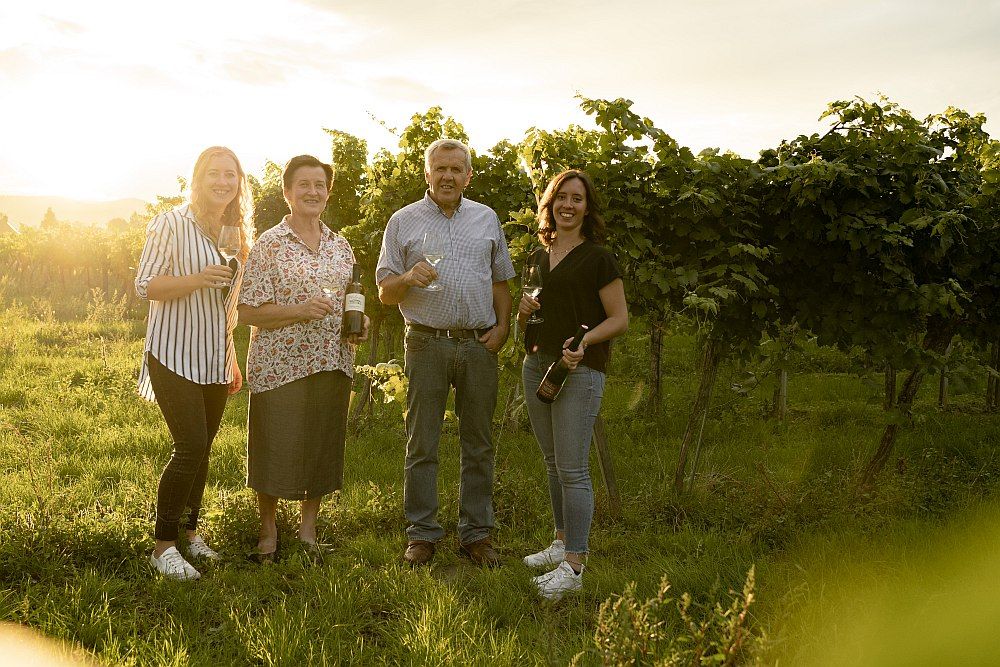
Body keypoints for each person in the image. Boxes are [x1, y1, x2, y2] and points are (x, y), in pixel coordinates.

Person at [376, 138, 515, 567]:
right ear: (427, 173)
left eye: (456, 169)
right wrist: (407, 278)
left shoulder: (486, 218)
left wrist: (503, 327)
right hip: (426, 342)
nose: (448, 176)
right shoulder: (402, 221)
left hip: (477, 344)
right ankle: (422, 534)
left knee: (479, 443)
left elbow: (500, 281)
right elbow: (384, 292)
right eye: (440, 168)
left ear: (468, 176)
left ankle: (476, 534)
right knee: (422, 442)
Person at [238, 155, 369, 561]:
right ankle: (268, 530)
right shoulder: (269, 245)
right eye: (304, 184)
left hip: (332, 360)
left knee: (320, 445)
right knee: (275, 445)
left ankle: (308, 530)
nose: (313, 191)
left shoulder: (340, 246)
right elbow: (247, 311)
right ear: (287, 193)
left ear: (328, 192)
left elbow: (350, 300)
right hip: (281, 364)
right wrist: (299, 311)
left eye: (319, 185)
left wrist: (359, 323)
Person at [135, 145, 253, 580]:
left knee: (203, 449)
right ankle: (163, 546)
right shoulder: (170, 222)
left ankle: (190, 532)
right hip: (173, 352)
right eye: (213, 173)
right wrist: (197, 280)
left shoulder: (236, 230)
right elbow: (145, 285)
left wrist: (231, 356)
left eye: (230, 174)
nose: (223, 181)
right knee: (188, 447)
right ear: (198, 179)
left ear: (239, 182)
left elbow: (230, 304)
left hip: (214, 357)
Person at [517, 169, 629, 600]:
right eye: (561, 197)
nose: (567, 205)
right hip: (537, 365)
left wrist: (584, 341)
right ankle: (561, 541)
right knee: (552, 462)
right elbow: (532, 315)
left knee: (573, 469)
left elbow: (619, 319)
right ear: (550, 203)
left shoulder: (598, 258)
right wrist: (524, 311)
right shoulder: (538, 255)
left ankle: (575, 566)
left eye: (576, 199)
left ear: (586, 208)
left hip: (578, 369)